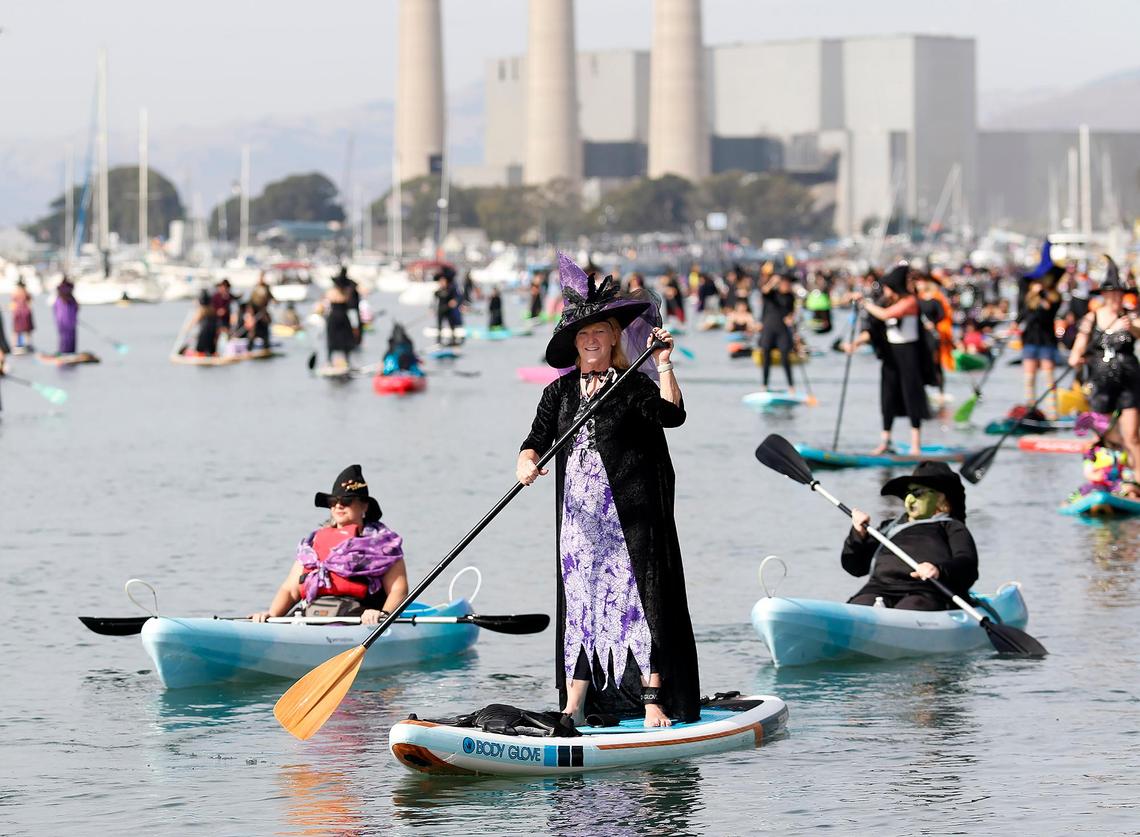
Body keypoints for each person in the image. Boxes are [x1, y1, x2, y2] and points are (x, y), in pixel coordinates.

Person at [516, 252, 699, 729]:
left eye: (600, 333)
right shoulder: (559, 393)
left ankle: (652, 702)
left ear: (614, 337)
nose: (592, 341)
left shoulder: (632, 386)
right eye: (584, 335)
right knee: (580, 601)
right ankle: (574, 705)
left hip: (630, 518)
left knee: (639, 599)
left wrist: (663, 366)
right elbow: (534, 442)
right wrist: (527, 463)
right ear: (574, 344)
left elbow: (672, 416)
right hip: (578, 520)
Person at [250, 465, 408, 624]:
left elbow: (398, 589)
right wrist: (271, 614)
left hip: (362, 618)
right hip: (313, 615)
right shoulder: (312, 545)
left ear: (364, 505)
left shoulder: (384, 545)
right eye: (333, 501)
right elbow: (291, 590)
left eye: (346, 500)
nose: (338, 505)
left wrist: (383, 615)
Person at [843, 462, 979, 611]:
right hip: (879, 589)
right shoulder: (888, 528)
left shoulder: (951, 527)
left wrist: (939, 570)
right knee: (861, 604)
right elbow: (854, 567)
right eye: (907, 494)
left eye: (917, 493)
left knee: (911, 606)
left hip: (927, 591)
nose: (909, 500)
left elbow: (968, 566)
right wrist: (858, 535)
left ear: (940, 497)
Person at [1069, 257, 1140, 499]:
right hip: (1101, 381)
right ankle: (1104, 477)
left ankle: (1137, 483)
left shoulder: (1130, 316)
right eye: (1112, 294)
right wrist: (1078, 357)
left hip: (1129, 379)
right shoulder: (1093, 317)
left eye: (1120, 293)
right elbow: (1077, 351)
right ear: (1105, 295)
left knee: (1132, 435)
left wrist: (1129, 327)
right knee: (1102, 434)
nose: (1116, 298)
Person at [856, 264, 931, 455]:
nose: (886, 291)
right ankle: (885, 441)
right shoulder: (886, 301)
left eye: (888, 287)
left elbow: (886, 315)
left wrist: (866, 304)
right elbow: (875, 323)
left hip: (909, 355)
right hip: (891, 356)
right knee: (887, 397)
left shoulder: (910, 302)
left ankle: (915, 445)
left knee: (911, 396)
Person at [1018, 264, 1064, 419]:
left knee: (1048, 377)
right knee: (1029, 377)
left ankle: (1052, 412)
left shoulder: (1053, 297)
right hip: (1030, 340)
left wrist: (1043, 296)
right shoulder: (1028, 299)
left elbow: (1047, 316)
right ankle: (1030, 408)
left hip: (1047, 341)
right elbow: (1024, 316)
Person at [758, 271, 798, 392]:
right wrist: (772, 281)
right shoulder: (772, 294)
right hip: (769, 329)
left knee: (786, 357)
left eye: (789, 284)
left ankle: (791, 387)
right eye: (785, 283)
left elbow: (791, 312)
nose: (787, 286)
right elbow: (764, 291)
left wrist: (790, 319)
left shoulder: (790, 297)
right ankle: (764, 386)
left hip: (783, 331)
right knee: (766, 357)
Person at [319, 272, 359, 369]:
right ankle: (341, 361)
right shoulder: (346, 292)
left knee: (338, 340)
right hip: (342, 317)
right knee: (341, 340)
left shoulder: (331, 292)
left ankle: (332, 361)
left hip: (335, 318)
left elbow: (322, 305)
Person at [53, 276, 79, 355]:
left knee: (68, 339)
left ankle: (68, 353)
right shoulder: (62, 299)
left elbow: (76, 309)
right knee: (65, 339)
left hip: (69, 323)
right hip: (64, 323)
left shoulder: (70, 299)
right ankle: (65, 353)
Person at [191, 290, 219, 355]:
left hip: (204, 333)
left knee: (200, 350)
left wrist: (187, 329)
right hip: (212, 333)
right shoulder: (212, 309)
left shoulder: (202, 310)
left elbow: (195, 320)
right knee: (210, 349)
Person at [10, 279, 34, 351]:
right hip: (22, 313)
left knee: (20, 330)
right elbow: (30, 303)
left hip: (21, 313)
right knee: (21, 331)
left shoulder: (17, 293)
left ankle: (22, 345)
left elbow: (13, 304)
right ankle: (21, 345)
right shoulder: (24, 293)